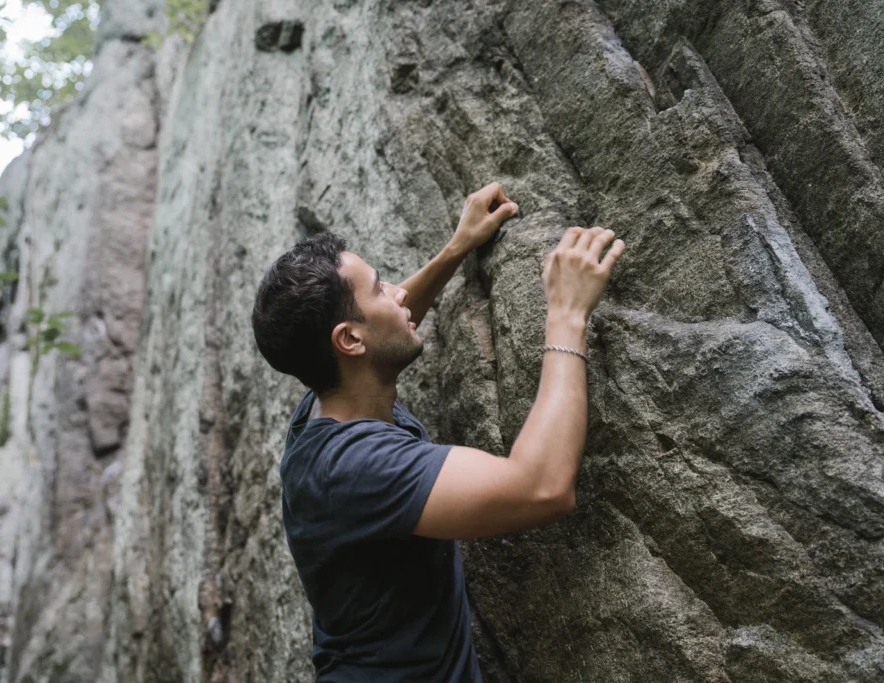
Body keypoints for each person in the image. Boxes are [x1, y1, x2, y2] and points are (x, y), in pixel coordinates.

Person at [250, 182, 625, 682]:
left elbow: (378, 330)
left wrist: (456, 249)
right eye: (381, 286)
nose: (398, 292)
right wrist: (567, 313)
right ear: (349, 340)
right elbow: (543, 486)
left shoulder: (327, 398)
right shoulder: (357, 469)